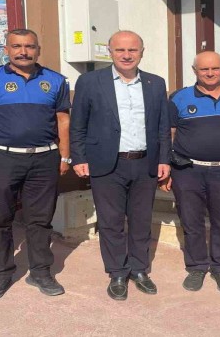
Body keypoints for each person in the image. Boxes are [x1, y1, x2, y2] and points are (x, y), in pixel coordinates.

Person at [0, 29, 71, 299]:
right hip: (1, 158)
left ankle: (41, 272)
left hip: (44, 158)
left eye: (29, 46)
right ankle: (1, 275)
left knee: (40, 220)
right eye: (17, 46)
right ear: (7, 49)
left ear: (38, 49)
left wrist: (64, 156)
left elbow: (63, 120)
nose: (23, 52)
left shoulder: (56, 81)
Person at [70, 30, 171, 301]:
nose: (127, 55)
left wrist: (164, 159)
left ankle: (139, 270)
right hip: (107, 164)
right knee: (111, 222)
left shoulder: (155, 83)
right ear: (110, 52)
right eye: (120, 50)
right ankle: (117, 272)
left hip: (145, 163)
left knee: (141, 220)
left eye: (132, 50)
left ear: (142, 52)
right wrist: (79, 158)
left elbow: (162, 126)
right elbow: (78, 124)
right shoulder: (90, 82)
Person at [162, 51, 220, 294]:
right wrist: (167, 168)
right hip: (188, 170)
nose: (210, 73)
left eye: (215, 68)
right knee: (191, 220)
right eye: (204, 69)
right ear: (194, 71)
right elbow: (168, 134)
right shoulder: (179, 98)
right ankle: (197, 266)